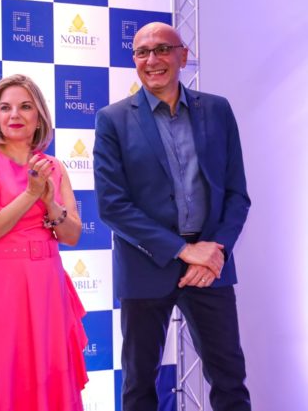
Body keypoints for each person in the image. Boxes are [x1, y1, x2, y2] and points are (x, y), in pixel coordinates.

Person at [93, 22, 251, 411]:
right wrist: (183, 250)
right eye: (142, 52)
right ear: (134, 60)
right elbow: (113, 205)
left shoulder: (217, 110)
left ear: (183, 55)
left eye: (163, 49)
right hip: (145, 264)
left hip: (210, 266)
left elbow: (236, 194)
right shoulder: (112, 119)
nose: (153, 60)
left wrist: (215, 251)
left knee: (230, 380)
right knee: (139, 385)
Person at [0, 74, 88, 411]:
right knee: (3, 371)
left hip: (47, 283)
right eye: (5, 108)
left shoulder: (54, 167)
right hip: (2, 286)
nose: (15, 115)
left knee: (49, 370)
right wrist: (31, 194)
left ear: (39, 115)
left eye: (25, 106)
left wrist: (50, 203)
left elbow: (72, 235)